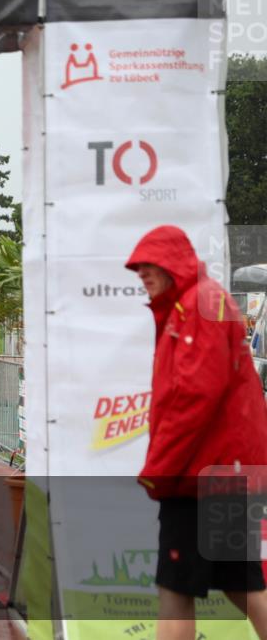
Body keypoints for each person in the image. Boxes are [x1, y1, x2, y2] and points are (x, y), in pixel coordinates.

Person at [126, 225, 267, 640]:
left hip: (198, 478)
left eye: (148, 265)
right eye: (138, 268)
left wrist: (159, 471)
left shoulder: (197, 306)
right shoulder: (200, 302)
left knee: (175, 590)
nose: (141, 274)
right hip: (220, 472)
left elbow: (192, 398)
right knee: (242, 586)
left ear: (173, 264)